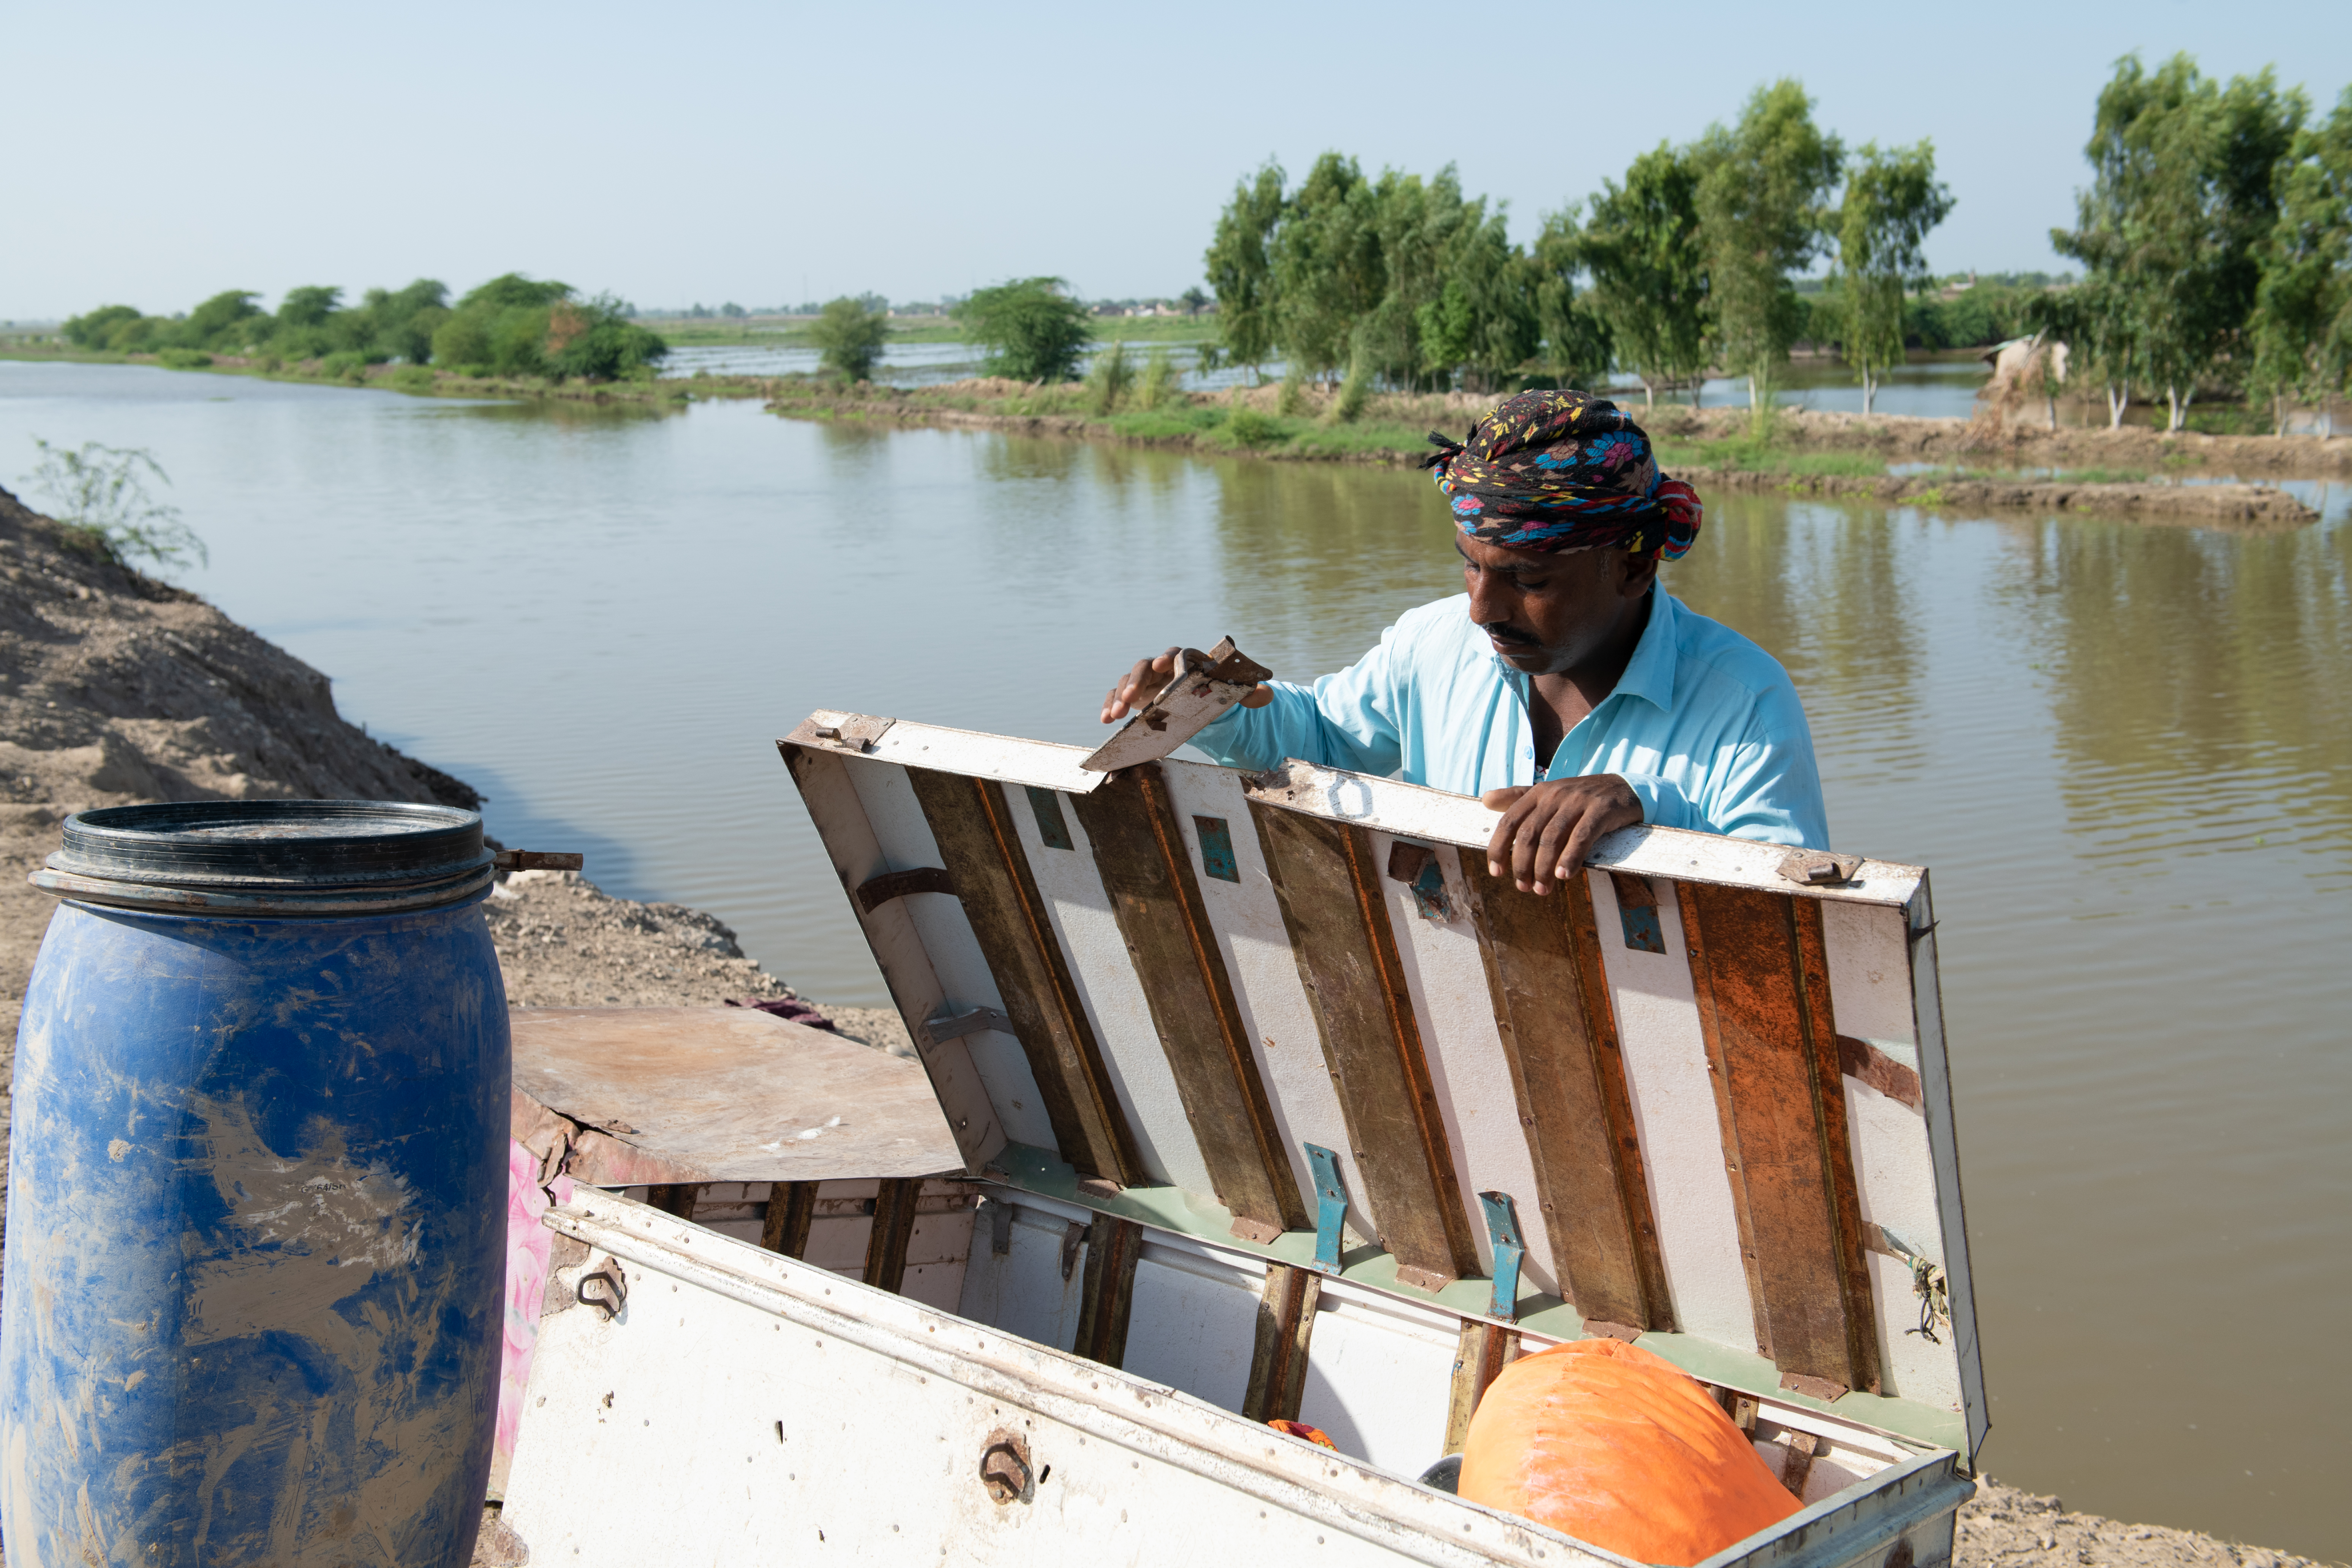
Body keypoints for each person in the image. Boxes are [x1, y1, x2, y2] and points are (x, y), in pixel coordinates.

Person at [1099, 389, 1828, 895]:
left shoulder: (1746, 705)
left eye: (1528, 580)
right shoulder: (1433, 644)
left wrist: (1648, 806)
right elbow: (1320, 735)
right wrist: (1206, 699)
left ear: (1633, 565)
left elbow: (1791, 909)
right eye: (1470, 565)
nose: (1482, 609)